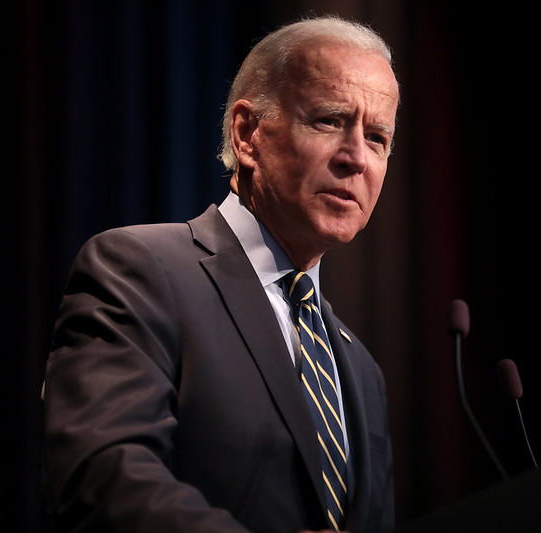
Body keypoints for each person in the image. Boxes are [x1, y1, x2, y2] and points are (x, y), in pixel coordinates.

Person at [42, 15, 399, 533]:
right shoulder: (142, 270)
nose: (356, 159)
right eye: (328, 120)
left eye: (377, 137)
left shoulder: (362, 372)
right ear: (248, 133)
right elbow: (101, 477)